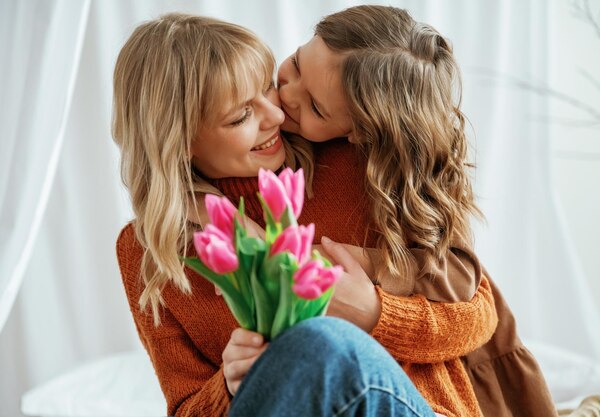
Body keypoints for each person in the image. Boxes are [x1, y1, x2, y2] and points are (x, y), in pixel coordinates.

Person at [112, 13, 439, 417]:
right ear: (179, 143)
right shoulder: (147, 251)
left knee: (320, 341)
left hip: (405, 405)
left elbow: (479, 316)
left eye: (267, 85)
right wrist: (230, 386)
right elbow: (185, 408)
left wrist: (375, 314)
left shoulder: (352, 164)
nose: (278, 116)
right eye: (240, 115)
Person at [272, 5, 557, 417]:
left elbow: (465, 286)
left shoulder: (386, 179)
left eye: (316, 108)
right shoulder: (252, 119)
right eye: (296, 63)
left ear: (360, 131)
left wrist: (369, 270)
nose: (286, 94)